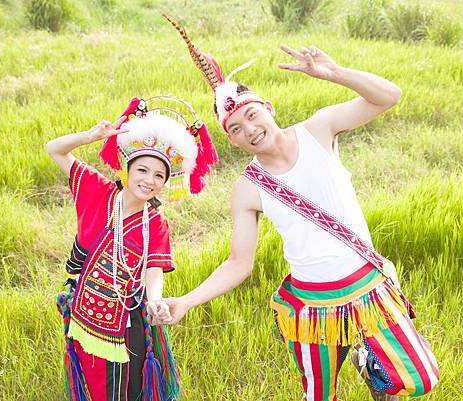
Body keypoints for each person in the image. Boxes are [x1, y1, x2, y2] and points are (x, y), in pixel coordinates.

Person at [158, 16, 440, 401]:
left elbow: (388, 96)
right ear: (232, 140)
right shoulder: (247, 189)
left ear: (268, 107)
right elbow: (239, 263)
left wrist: (335, 72)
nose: (249, 129)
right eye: (235, 128)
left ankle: (369, 363)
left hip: (368, 286)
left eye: (251, 115)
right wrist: (186, 301)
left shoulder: (319, 129)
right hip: (311, 308)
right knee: (319, 396)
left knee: (420, 379)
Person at [46, 96, 218, 401]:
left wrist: (155, 301)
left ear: (166, 183)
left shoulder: (155, 222)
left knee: (127, 387)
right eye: (142, 170)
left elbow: (153, 271)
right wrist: (89, 137)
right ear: (127, 168)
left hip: (126, 322)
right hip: (84, 313)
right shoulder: (96, 191)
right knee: (91, 382)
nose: (149, 180)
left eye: (159, 175)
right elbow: (54, 149)